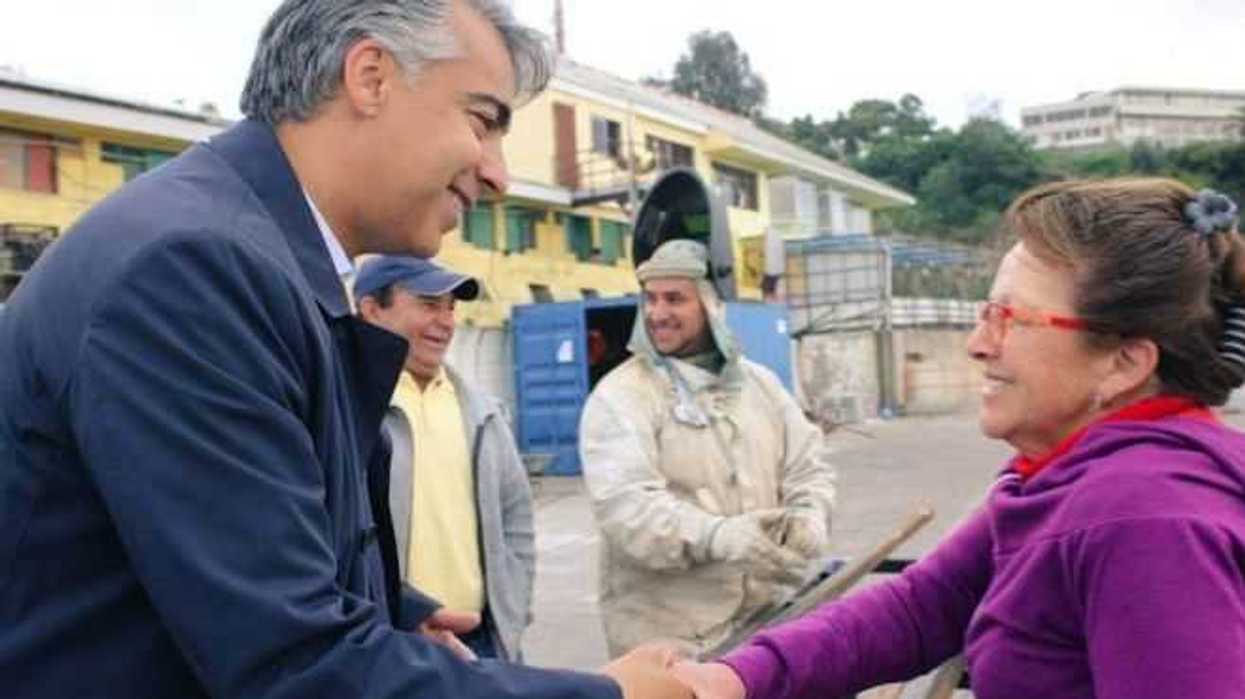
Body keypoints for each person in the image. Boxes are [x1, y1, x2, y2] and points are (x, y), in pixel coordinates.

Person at [0, 1, 691, 697]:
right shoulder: (193, 268)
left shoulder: (267, 261)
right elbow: (297, 668)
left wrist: (392, 608)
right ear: (370, 76)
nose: (497, 175)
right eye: (482, 121)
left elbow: (231, 544)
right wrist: (614, 694)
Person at [673, 179, 1245, 699]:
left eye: (1012, 319)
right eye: (986, 312)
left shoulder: (1147, 521)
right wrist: (733, 678)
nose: (977, 343)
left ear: (1123, 363)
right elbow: (926, 606)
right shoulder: (1064, 478)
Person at [579, 239, 838, 658]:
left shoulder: (760, 386)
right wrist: (719, 536)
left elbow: (808, 468)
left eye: (675, 299)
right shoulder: (622, 397)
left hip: (767, 622)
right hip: (670, 642)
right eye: (650, 299)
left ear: (711, 306)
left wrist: (810, 516)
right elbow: (628, 511)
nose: (658, 313)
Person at [354, 255, 535, 662]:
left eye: (451, 307)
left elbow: (516, 518)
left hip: (485, 643)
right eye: (428, 304)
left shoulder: (480, 410)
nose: (446, 321)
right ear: (371, 310)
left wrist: (512, 613)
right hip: (394, 643)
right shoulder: (351, 408)